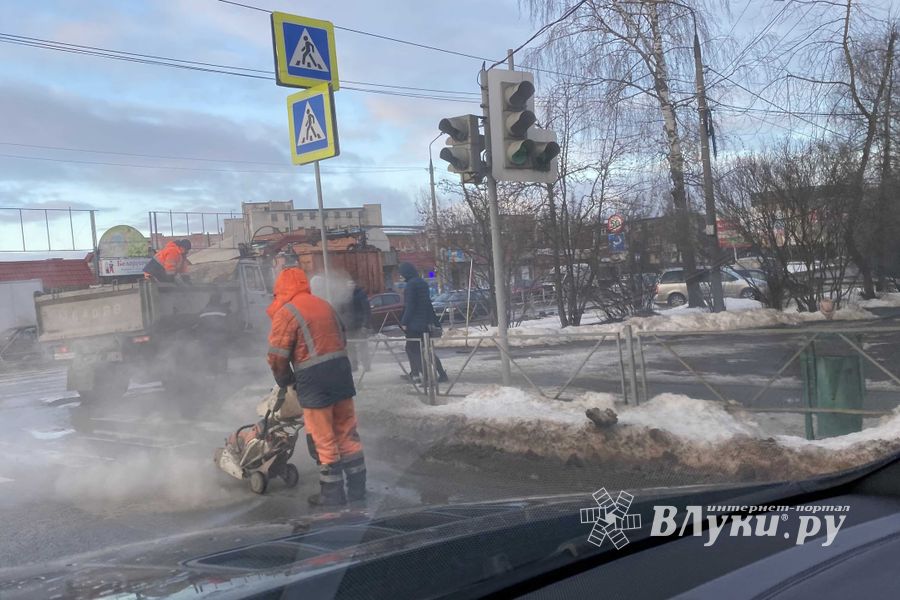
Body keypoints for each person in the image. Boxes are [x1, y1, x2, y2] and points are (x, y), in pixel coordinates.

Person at [266, 267, 365, 506]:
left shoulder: (287, 312)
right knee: (347, 432)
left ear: (281, 288)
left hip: (314, 379)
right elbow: (342, 337)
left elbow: (277, 356)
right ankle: (357, 490)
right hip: (341, 374)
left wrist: (285, 380)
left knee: (323, 437)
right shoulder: (324, 305)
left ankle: (331, 494)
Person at [398, 262, 447, 384]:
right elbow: (428, 304)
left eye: (402, 274)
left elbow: (410, 305)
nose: (401, 276)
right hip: (425, 324)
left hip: (414, 325)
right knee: (428, 351)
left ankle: (425, 377)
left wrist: (404, 322)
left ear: (406, 273)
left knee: (412, 349)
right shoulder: (422, 283)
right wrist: (436, 322)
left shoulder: (410, 285)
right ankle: (441, 374)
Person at [339, 281, 372, 372]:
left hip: (359, 325)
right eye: (348, 284)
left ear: (355, 285)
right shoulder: (344, 296)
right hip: (349, 326)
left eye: (352, 284)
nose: (350, 286)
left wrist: (365, 325)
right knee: (350, 348)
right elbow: (341, 311)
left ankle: (366, 366)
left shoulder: (360, 294)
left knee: (363, 346)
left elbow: (367, 310)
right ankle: (354, 366)